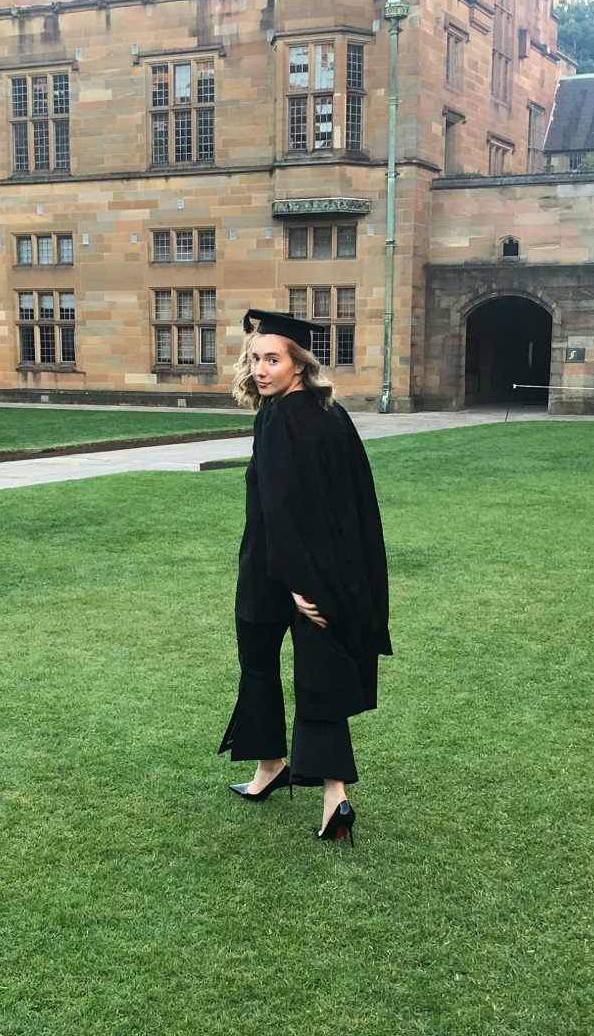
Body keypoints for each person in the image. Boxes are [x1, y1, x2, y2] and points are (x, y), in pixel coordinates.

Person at [218, 309, 392, 845]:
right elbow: (353, 501)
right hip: (328, 568)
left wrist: (297, 582)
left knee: (260, 662)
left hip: (281, 570)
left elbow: (281, 507)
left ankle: (282, 771)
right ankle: (319, 789)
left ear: (299, 365)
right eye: (255, 359)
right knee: (320, 675)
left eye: (272, 359)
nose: (260, 369)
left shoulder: (279, 419)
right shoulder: (330, 412)